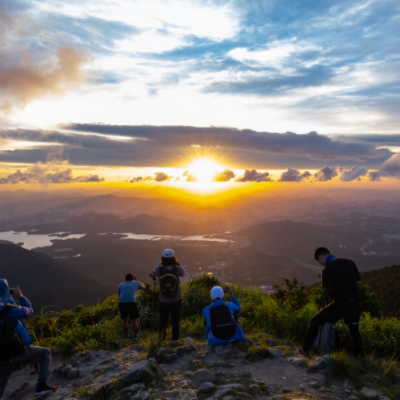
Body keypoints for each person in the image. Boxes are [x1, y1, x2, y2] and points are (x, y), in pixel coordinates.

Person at [298, 247, 363, 355]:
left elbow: (327, 293)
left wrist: (329, 282)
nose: (321, 264)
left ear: (321, 258)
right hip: (355, 303)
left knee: (316, 320)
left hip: (340, 304)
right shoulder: (350, 262)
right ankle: (359, 355)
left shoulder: (327, 270)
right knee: (354, 329)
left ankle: (304, 350)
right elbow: (358, 278)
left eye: (319, 262)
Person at [0, 279, 58, 399]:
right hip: (16, 350)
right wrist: (20, 296)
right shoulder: (9, 309)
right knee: (45, 353)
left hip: (1, 355)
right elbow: (28, 311)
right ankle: (41, 386)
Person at [151, 249, 185, 341]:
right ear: (173, 258)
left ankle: (162, 339)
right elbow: (184, 272)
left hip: (163, 299)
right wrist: (177, 262)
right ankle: (175, 339)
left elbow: (154, 272)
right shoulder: (177, 269)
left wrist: (161, 262)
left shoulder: (159, 269)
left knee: (163, 320)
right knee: (175, 320)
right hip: (176, 298)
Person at [118, 273, 145, 339]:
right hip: (132, 302)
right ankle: (135, 335)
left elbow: (119, 295)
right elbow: (144, 288)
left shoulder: (121, 285)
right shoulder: (136, 283)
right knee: (133, 320)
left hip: (122, 302)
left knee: (125, 320)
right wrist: (137, 280)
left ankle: (126, 335)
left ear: (125, 279)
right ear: (133, 278)